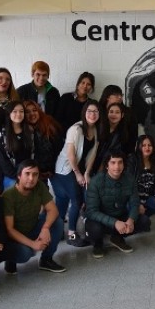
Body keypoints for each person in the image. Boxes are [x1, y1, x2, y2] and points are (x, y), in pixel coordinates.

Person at [50, 100, 99, 247]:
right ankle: (71, 234)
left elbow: (92, 155)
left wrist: (87, 173)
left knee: (63, 201)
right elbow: (71, 154)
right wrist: (78, 173)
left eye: (96, 111)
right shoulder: (76, 129)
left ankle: (56, 233)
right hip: (64, 168)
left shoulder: (96, 130)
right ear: (84, 113)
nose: (92, 114)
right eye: (89, 111)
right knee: (76, 199)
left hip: (78, 168)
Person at [3, 160, 66, 274]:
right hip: (15, 237)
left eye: (35, 174)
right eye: (27, 174)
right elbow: (10, 230)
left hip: (32, 227)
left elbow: (53, 210)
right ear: (19, 176)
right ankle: (10, 259)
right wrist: (33, 244)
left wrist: (45, 228)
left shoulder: (39, 186)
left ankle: (46, 260)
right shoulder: (9, 196)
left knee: (57, 222)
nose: (31, 178)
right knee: (27, 253)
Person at [85, 151, 149, 259]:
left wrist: (131, 220)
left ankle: (117, 238)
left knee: (144, 221)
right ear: (106, 165)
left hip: (119, 215)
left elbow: (135, 203)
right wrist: (115, 223)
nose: (117, 167)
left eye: (120, 162)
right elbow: (91, 211)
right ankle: (98, 243)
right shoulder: (96, 181)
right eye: (113, 163)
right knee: (95, 230)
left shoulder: (129, 179)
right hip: (100, 220)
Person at [0, 101, 34, 190]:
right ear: (9, 113)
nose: (19, 114)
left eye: (21, 111)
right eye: (15, 111)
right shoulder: (3, 135)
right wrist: (19, 177)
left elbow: (35, 153)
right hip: (12, 177)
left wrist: (29, 174)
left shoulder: (30, 132)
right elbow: (4, 163)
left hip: (30, 174)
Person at [126, 135, 155, 220]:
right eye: (143, 145)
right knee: (133, 210)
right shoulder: (132, 159)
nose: (147, 148)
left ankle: (142, 218)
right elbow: (128, 184)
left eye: (150, 145)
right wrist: (137, 203)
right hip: (132, 198)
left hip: (147, 197)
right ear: (139, 146)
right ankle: (135, 218)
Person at [24, 100, 63, 184]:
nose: (32, 114)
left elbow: (58, 149)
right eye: (27, 112)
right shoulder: (22, 130)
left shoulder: (50, 124)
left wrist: (50, 169)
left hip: (52, 169)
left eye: (34, 110)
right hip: (30, 172)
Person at [91, 102, 133, 175]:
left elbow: (111, 154)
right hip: (89, 162)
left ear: (122, 115)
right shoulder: (99, 128)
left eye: (117, 112)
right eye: (111, 112)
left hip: (105, 168)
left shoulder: (122, 133)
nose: (114, 115)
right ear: (107, 114)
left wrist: (100, 172)